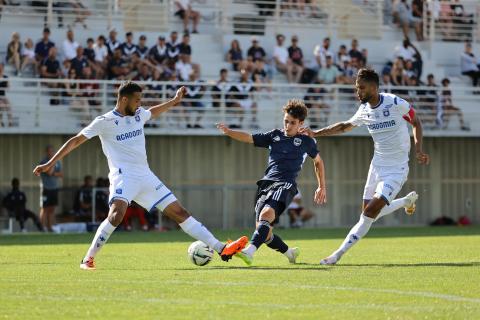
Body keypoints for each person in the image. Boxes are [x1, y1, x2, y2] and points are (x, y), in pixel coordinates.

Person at [33, 82, 248, 270]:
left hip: (145, 176)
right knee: (116, 215)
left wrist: (174, 101)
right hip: (123, 176)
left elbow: (152, 111)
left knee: (179, 212)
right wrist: (50, 163)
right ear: (123, 99)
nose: (139, 104)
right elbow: (76, 140)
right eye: (136, 100)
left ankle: (222, 249)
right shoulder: (104, 121)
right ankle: (88, 259)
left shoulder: (137, 115)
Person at [301, 68, 429, 265]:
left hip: (396, 170)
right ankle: (405, 202)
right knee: (367, 212)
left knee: (369, 214)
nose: (357, 92)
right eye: (356, 88)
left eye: (361, 88)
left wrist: (419, 149)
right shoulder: (364, 110)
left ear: (374, 87)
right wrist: (315, 133)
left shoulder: (394, 103)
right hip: (377, 166)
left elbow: (416, 121)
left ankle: (337, 255)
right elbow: (344, 126)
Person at [216, 99, 326, 266]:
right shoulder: (275, 135)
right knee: (264, 232)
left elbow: (318, 161)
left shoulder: (307, 141)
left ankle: (249, 252)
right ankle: (290, 253)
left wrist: (321, 186)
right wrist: (229, 131)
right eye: (286, 121)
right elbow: (249, 137)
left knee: (266, 214)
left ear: (301, 123)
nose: (288, 125)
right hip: (266, 184)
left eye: (292, 123)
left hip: (286, 184)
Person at [38, 145, 63, 232]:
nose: (51, 153)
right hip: (46, 188)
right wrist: (52, 165)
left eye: (52, 151)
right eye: (49, 151)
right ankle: (42, 228)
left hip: (54, 188)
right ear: (46, 152)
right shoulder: (43, 162)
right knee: (44, 208)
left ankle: (50, 227)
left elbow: (61, 174)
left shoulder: (58, 162)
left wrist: (54, 173)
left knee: (52, 208)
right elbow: (49, 172)